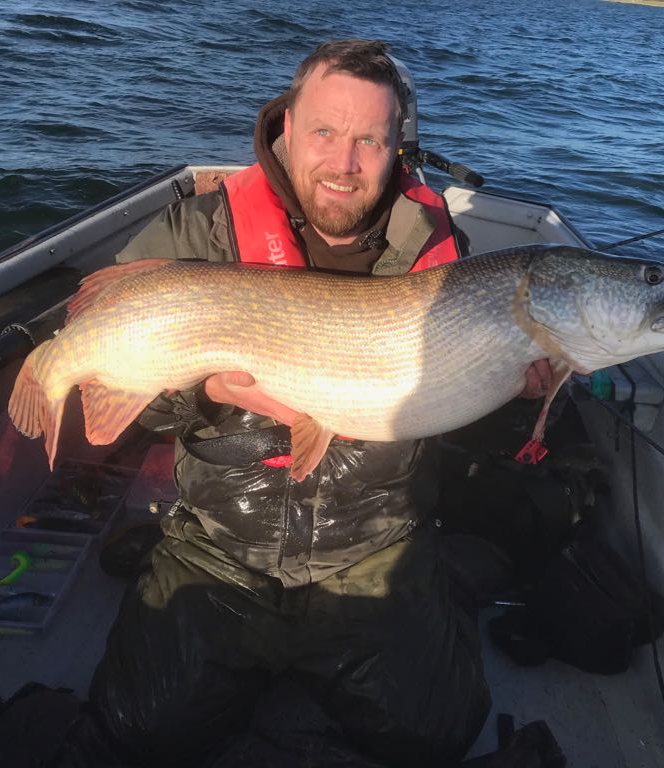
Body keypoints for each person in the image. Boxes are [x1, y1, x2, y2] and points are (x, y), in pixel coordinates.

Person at [55, 39, 553, 768]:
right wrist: (205, 391)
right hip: (221, 544)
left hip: (374, 545)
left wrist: (521, 396)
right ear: (286, 128)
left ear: (397, 150)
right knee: (140, 727)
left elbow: (457, 423)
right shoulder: (202, 231)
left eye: (369, 141)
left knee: (437, 732)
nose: (344, 163)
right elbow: (119, 386)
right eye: (324, 132)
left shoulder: (446, 261)